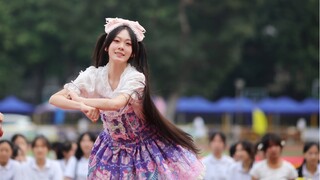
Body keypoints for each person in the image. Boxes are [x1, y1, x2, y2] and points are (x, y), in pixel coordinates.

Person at [49, 17, 204, 179]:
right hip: (110, 149)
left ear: (134, 52)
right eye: (116, 41)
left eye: (128, 44)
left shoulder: (135, 78)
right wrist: (82, 107)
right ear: (106, 46)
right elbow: (55, 99)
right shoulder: (93, 75)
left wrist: (82, 100)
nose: (121, 47)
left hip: (145, 149)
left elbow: (116, 103)